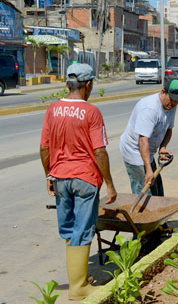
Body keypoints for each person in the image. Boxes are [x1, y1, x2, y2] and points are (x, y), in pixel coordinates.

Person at [40, 63, 118, 300]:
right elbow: (100, 152)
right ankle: (79, 287)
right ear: (88, 85)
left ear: (66, 85)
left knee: (68, 229)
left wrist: (49, 175)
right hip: (85, 179)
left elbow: (44, 148)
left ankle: (78, 279)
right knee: (82, 230)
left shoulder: (52, 110)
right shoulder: (92, 113)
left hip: (61, 177)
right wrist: (110, 184)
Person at [120, 79, 178, 196]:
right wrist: (148, 169)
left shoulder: (171, 106)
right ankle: (141, 213)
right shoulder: (150, 108)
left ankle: (156, 211)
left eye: (177, 101)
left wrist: (163, 147)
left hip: (147, 150)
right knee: (144, 187)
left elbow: (169, 129)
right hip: (134, 150)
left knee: (156, 188)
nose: (174, 103)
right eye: (172, 99)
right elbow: (143, 140)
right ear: (163, 92)